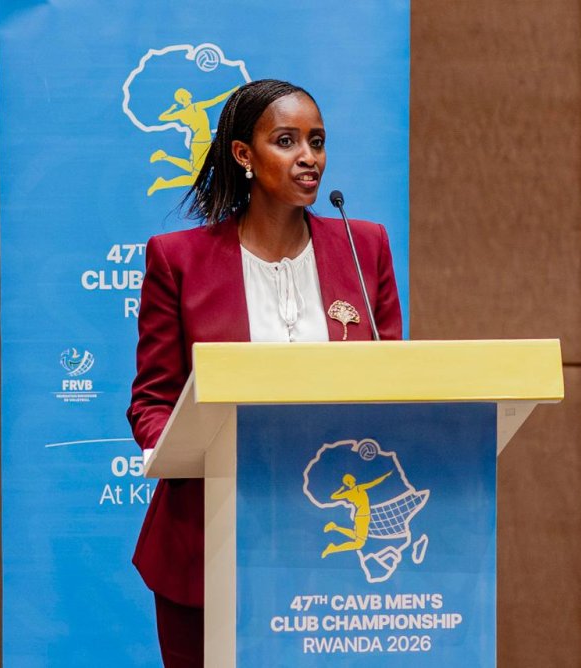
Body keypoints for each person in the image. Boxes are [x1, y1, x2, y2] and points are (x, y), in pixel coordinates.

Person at [127, 79, 403, 667]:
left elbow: (393, 385)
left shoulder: (366, 247)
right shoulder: (178, 260)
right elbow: (152, 402)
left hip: (333, 541)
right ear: (243, 155)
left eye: (317, 142)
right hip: (209, 539)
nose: (309, 157)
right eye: (286, 141)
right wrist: (180, 448)